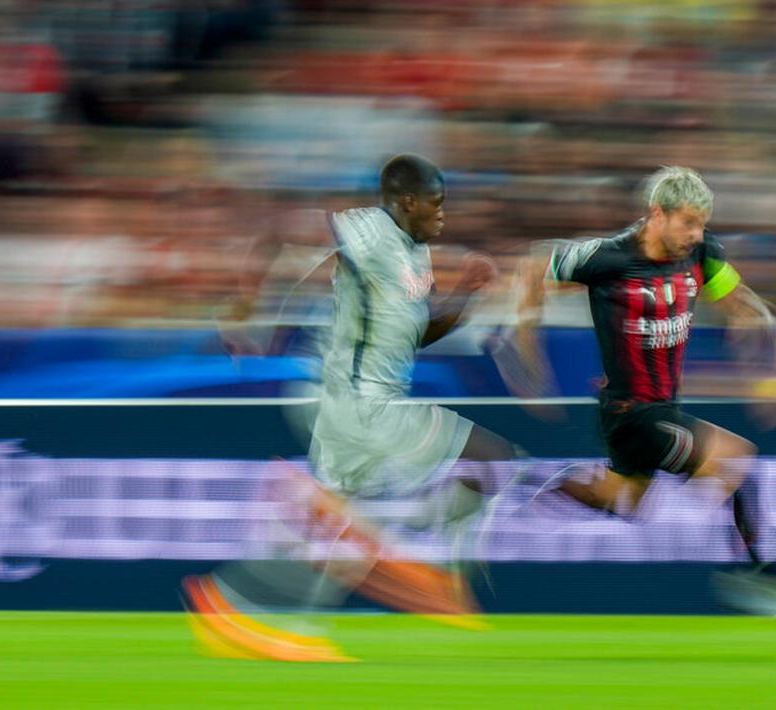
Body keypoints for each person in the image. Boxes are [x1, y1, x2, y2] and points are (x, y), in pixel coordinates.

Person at [184, 154, 525, 661]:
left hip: (366, 403)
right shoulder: (371, 229)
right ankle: (432, 570)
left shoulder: (415, 255)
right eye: (437, 203)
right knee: (491, 458)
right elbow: (284, 233)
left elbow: (417, 332)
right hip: (358, 402)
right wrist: (247, 310)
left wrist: (465, 293)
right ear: (407, 201)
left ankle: (234, 605)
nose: (443, 214)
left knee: (340, 531)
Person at [514, 166, 776, 634]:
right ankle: (773, 583)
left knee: (622, 502)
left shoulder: (702, 254)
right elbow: (538, 263)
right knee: (735, 459)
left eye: (701, 224)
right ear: (658, 214)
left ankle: (517, 486)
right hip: (632, 413)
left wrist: (758, 327)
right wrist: (525, 336)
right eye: (688, 223)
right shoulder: (609, 257)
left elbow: (737, 298)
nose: (696, 234)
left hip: (660, 408)